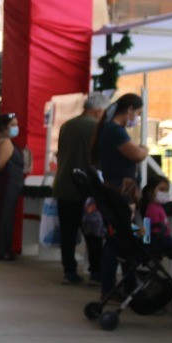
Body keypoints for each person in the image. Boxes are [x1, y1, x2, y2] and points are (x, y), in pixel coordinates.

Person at [90, 93, 148, 300]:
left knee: (120, 241)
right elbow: (137, 155)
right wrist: (144, 149)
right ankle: (110, 289)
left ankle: (124, 285)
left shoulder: (109, 130)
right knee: (117, 242)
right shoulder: (114, 131)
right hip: (120, 194)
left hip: (116, 191)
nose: (138, 118)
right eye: (138, 113)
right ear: (130, 110)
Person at [50, 94, 109, 283]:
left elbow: (60, 154)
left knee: (67, 234)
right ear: (98, 111)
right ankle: (96, 271)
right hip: (87, 190)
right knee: (93, 233)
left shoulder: (67, 125)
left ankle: (69, 271)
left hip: (64, 186)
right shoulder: (96, 128)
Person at [0, 113, 28, 260]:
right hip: (6, 184)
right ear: (4, 127)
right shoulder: (6, 143)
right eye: (13, 124)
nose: (16, 127)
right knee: (4, 217)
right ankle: (0, 250)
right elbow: (0, 164)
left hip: (4, 184)